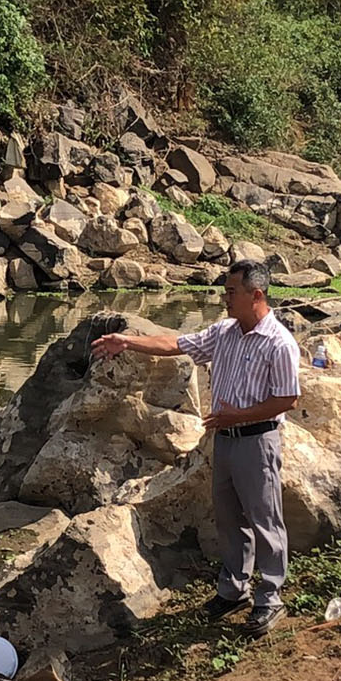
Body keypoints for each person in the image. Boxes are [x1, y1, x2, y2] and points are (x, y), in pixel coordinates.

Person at [90, 260, 302, 635]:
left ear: (257, 294)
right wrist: (128, 341)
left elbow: (287, 398)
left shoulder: (279, 342)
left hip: (257, 440)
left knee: (265, 520)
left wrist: (240, 416)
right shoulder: (225, 332)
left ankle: (270, 598)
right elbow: (175, 343)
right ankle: (234, 589)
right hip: (225, 439)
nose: (225, 299)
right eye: (224, 292)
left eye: (231, 292)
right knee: (228, 516)